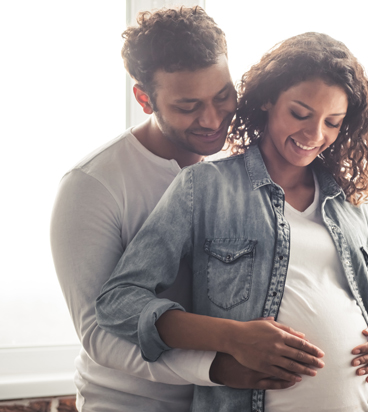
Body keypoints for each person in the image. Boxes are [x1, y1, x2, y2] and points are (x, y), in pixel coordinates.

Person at [96, 32, 368, 412]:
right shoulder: (203, 188)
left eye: (332, 122)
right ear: (268, 99)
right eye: (300, 114)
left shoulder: (353, 203)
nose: (314, 135)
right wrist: (233, 337)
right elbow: (118, 302)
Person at [50, 7, 322, 412]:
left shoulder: (243, 170)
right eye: (187, 106)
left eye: (222, 96)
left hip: (218, 401)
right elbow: (99, 334)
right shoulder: (91, 185)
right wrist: (219, 366)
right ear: (144, 98)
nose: (212, 120)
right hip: (129, 404)